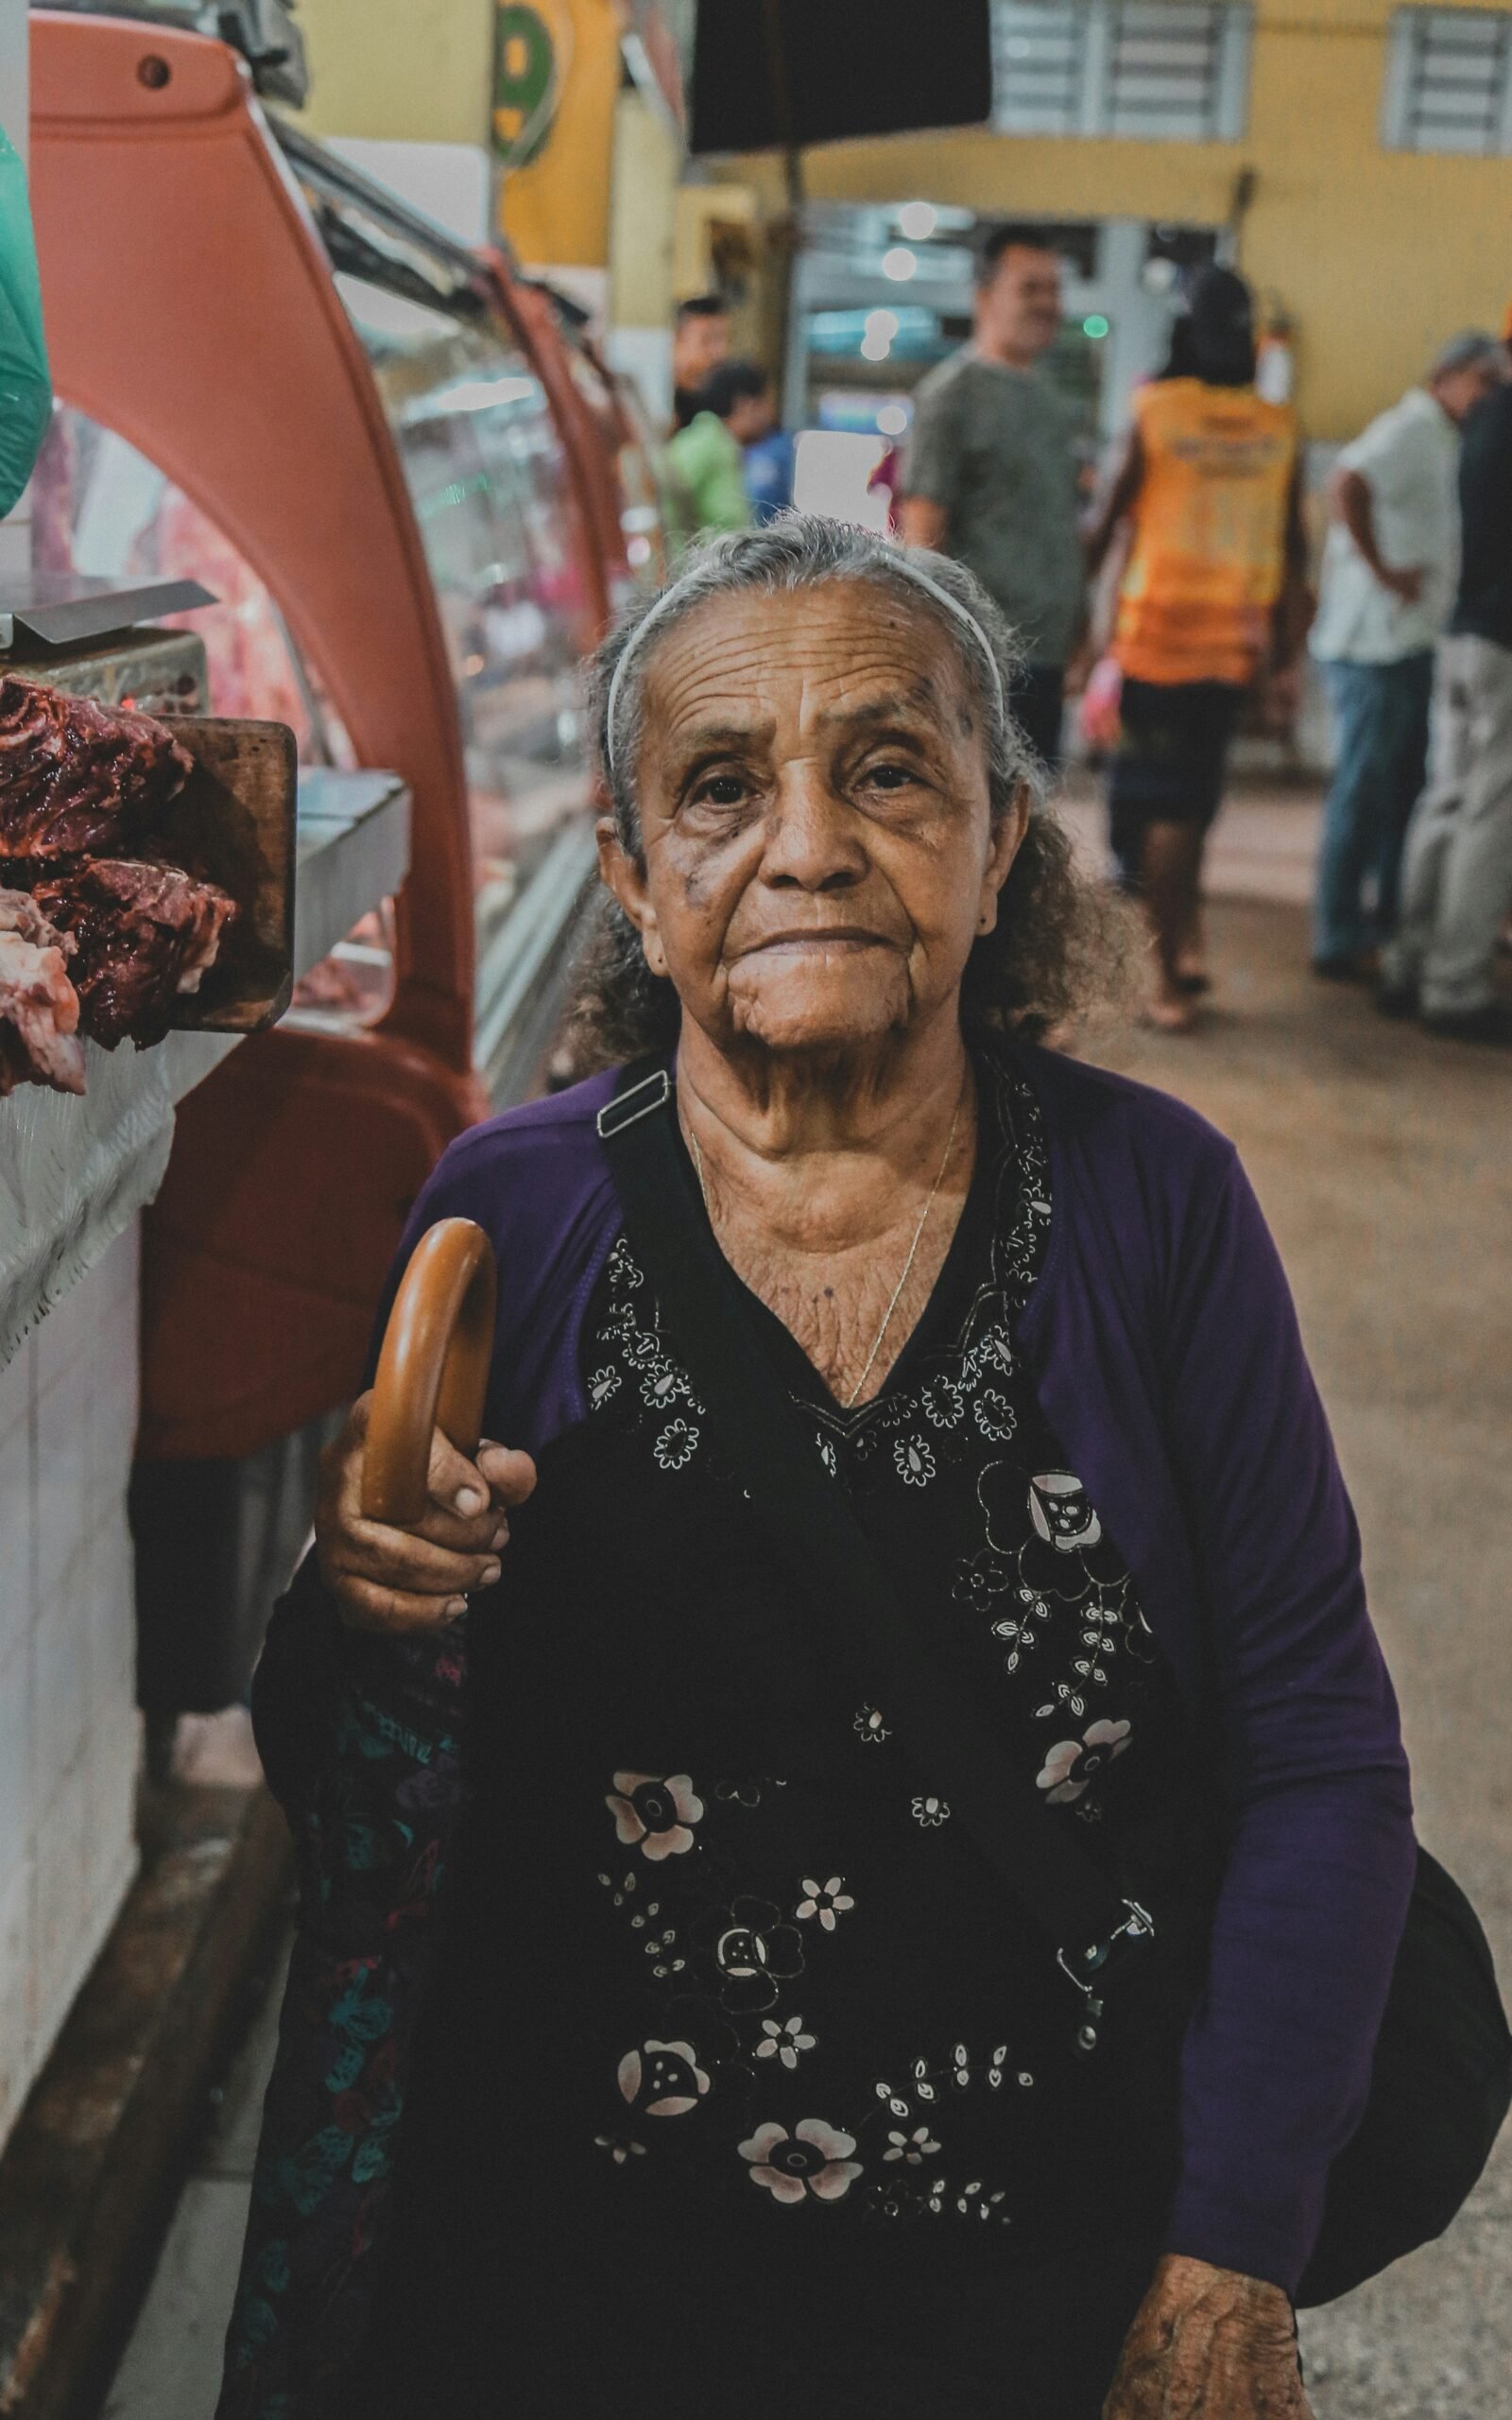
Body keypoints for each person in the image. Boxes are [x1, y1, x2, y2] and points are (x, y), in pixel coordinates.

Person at [219, 519, 1415, 2420]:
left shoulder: (1148, 1201)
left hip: (1039, 2266)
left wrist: (1230, 2237)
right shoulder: (509, 1213)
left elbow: (1316, 1752)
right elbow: (354, 1771)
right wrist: (366, 1599)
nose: (805, 844)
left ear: (995, 830)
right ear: (627, 864)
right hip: (575, 2272)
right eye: (718, 787)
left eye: (886, 768)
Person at [1086, 268, 1309, 1029]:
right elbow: (1293, 553)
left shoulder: (1156, 411)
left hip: (1156, 642)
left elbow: (1108, 522)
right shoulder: (1279, 428)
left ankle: (1162, 975)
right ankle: (1178, 952)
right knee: (1193, 806)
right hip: (1232, 650)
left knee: (1156, 811)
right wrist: (1285, 662)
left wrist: (1083, 633)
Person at [1309, 331, 1502, 980]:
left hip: (1413, 640)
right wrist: (1385, 572)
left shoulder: (1448, 438)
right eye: (1482, 380)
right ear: (1445, 376)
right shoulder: (1410, 429)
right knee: (1363, 792)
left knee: (1404, 792)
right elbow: (1346, 483)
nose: (1487, 395)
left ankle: (1388, 926)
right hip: (1374, 644)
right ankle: (1337, 935)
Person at [900, 222, 1083, 770]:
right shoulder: (951, 396)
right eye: (1030, 289)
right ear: (984, 297)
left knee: (1033, 824)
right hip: (982, 658)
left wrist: (1081, 630)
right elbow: (922, 532)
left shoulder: (1053, 404)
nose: (1047, 304)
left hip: (1045, 658)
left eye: (1054, 289)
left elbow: (1062, 524)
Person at [1380, 327, 1512, 1042]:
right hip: (1505, 644)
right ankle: (1454, 984)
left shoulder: (1486, 416)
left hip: (1464, 631)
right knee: (1491, 815)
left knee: (1448, 798)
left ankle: (1409, 961)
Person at [662, 358, 767, 557]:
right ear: (746, 405)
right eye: (764, 404)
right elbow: (664, 495)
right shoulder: (704, 442)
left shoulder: (727, 447)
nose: (768, 414)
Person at [671, 290, 730, 432]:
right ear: (678, 340)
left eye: (725, 339)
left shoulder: (725, 404)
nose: (720, 352)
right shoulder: (662, 404)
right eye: (708, 340)